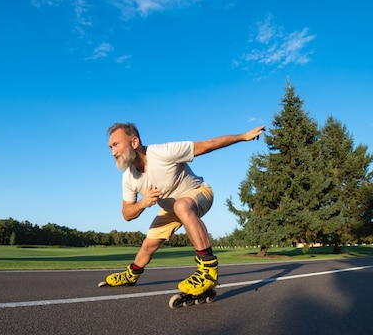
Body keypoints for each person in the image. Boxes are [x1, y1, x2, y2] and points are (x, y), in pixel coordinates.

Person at [103, 122, 266, 296]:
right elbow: (127, 214)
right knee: (148, 245)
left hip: (198, 193)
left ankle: (208, 270)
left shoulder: (162, 152)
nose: (113, 152)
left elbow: (207, 145)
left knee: (182, 205)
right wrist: (143, 203)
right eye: (110, 147)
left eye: (116, 145)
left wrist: (242, 137)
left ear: (134, 143)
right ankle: (131, 274)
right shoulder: (128, 178)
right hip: (170, 208)